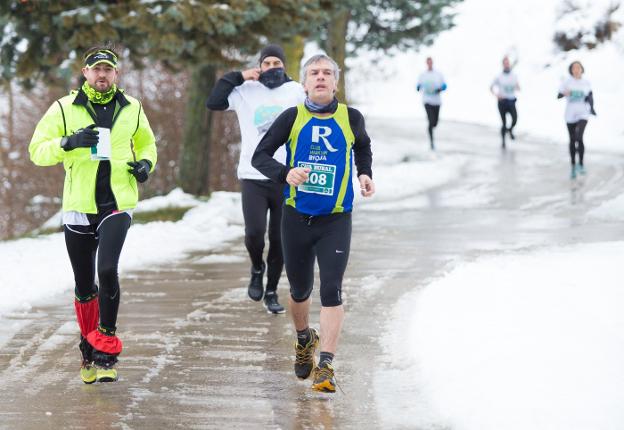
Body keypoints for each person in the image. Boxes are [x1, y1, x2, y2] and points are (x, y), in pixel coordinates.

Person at [29, 46, 157, 384]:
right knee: (85, 285)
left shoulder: (131, 107)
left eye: (108, 69)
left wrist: (145, 165)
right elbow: (37, 151)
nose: (102, 75)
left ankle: (106, 349)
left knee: (108, 269)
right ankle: (88, 347)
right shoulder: (64, 108)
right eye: (96, 69)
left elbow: (146, 145)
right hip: (78, 205)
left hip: (117, 201)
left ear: (116, 74)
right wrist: (68, 142)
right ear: (85, 73)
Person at [252, 54, 375, 393]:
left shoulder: (352, 117)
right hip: (296, 217)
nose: (320, 78)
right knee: (300, 290)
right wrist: (284, 173)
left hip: (336, 219)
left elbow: (363, 147)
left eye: (326, 73)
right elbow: (259, 156)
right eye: (313, 73)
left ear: (335, 82)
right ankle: (304, 338)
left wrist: (364, 173)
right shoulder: (291, 117)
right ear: (304, 83)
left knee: (332, 289)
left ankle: (326, 365)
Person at [206, 44, 305, 314]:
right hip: (253, 174)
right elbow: (213, 101)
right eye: (267, 63)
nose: (272, 68)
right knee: (254, 234)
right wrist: (239, 76)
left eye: (277, 63)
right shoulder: (245, 91)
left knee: (280, 238)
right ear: (259, 67)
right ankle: (256, 267)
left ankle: (271, 290)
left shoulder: (295, 91)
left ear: (284, 66)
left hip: (286, 175)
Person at [558, 60, 596, 179]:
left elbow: (590, 96)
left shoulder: (586, 82)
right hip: (570, 114)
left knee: (579, 137)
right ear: (571, 70)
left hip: (583, 113)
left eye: (578, 67)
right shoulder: (567, 82)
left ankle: (581, 164)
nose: (576, 70)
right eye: (574, 68)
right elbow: (558, 95)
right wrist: (565, 93)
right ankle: (573, 166)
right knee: (572, 139)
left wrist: (592, 108)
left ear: (582, 69)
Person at [416, 57, 447, 150]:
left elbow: (445, 85)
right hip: (427, 101)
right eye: (428, 62)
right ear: (426, 63)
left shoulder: (438, 74)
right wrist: (418, 88)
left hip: (437, 101)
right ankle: (432, 142)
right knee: (430, 121)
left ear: (432, 63)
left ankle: (432, 126)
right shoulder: (423, 75)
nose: (429, 64)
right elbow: (418, 85)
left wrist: (440, 89)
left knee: (435, 123)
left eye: (431, 62)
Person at [490, 56, 520, 148]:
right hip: (502, 101)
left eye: (508, 63)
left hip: (511, 101)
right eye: (505, 63)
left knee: (515, 119)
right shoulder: (499, 76)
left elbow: (518, 86)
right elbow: (491, 87)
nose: (507, 64)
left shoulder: (514, 75)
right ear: (503, 64)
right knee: (503, 122)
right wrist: (496, 95)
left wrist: (518, 87)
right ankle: (503, 142)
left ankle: (510, 130)